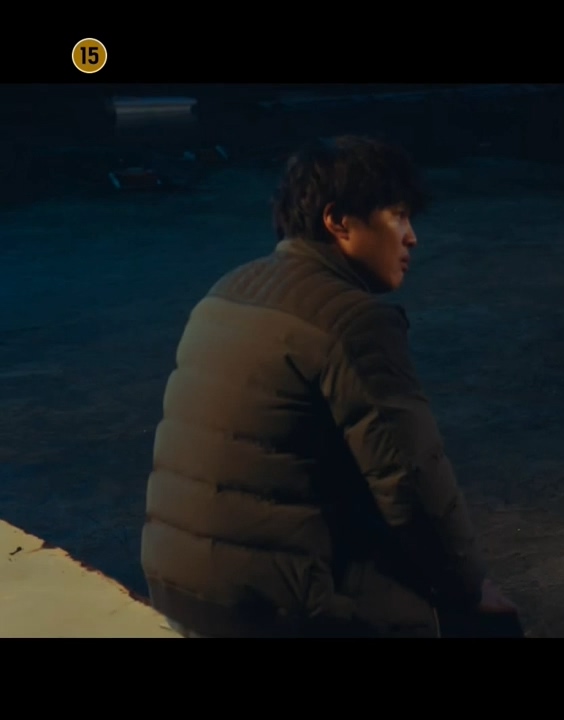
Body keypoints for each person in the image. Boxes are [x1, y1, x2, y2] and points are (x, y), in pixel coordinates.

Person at [140, 136, 519, 637]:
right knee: (487, 622)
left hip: (176, 584)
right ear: (338, 221)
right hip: (266, 606)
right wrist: (470, 588)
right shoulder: (353, 321)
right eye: (398, 217)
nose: (412, 238)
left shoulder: (225, 291)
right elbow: (411, 482)